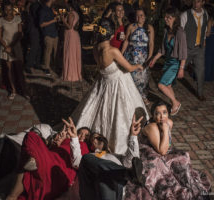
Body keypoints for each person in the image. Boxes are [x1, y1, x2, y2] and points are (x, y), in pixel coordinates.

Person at [71, 18, 149, 155]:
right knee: (119, 113)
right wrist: (137, 66)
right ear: (112, 34)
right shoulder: (112, 51)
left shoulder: (96, 48)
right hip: (117, 84)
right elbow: (129, 67)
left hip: (103, 82)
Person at [125, 101, 211, 199]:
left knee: (183, 156)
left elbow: (167, 144)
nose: (162, 116)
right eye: (157, 113)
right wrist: (165, 130)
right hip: (148, 151)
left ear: (168, 113)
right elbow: (161, 151)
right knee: (158, 164)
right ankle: (157, 184)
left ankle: (187, 184)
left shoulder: (169, 123)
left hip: (162, 149)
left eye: (164, 112)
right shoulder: (152, 127)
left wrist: (166, 129)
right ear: (153, 116)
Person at [64, 115, 144, 200]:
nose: (97, 139)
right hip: (92, 193)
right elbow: (76, 163)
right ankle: (127, 174)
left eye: (99, 138)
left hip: (116, 192)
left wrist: (133, 136)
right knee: (89, 161)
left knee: (105, 177)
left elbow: (132, 160)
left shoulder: (116, 156)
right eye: (94, 138)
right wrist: (74, 138)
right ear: (90, 145)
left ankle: (127, 174)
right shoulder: (90, 157)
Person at [7, 124, 91, 200]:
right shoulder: (67, 140)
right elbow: (51, 151)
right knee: (31, 136)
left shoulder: (85, 148)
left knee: (27, 166)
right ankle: (33, 160)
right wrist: (56, 143)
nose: (82, 136)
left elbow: (77, 163)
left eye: (86, 135)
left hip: (59, 169)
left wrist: (74, 138)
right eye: (80, 133)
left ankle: (12, 196)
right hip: (50, 159)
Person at [149, 7, 187, 116]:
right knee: (168, 85)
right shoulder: (166, 31)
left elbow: (184, 52)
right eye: (165, 17)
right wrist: (154, 59)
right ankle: (174, 104)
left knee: (161, 85)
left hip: (175, 63)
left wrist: (181, 68)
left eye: (169, 17)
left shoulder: (180, 32)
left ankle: (175, 102)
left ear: (175, 18)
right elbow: (162, 49)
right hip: (168, 62)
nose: (166, 19)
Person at [122, 8, 154, 105]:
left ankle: (143, 97)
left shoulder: (149, 28)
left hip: (143, 58)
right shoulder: (131, 26)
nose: (138, 17)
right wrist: (121, 53)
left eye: (141, 15)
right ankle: (131, 98)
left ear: (144, 16)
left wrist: (150, 56)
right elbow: (126, 41)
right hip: (131, 57)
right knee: (131, 78)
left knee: (143, 79)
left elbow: (151, 43)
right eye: (137, 15)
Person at [0, 3, 28, 100]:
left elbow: (20, 34)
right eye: (6, 9)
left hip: (16, 47)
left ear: (12, 9)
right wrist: (6, 46)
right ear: (4, 10)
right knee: (9, 70)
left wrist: (12, 46)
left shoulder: (17, 19)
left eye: (10, 9)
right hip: (5, 47)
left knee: (19, 69)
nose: (8, 11)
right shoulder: (1, 20)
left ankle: (23, 91)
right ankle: (13, 90)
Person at [180, 0, 208, 101]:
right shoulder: (185, 15)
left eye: (199, 1)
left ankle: (200, 93)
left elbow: (204, 28)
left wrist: (204, 39)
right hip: (187, 48)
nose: (196, 3)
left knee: (200, 71)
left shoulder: (205, 14)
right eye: (194, 1)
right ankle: (168, 85)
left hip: (199, 48)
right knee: (179, 67)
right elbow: (180, 31)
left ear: (203, 2)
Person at [61, 0, 82, 82]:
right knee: (74, 54)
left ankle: (70, 75)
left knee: (70, 54)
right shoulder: (77, 14)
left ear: (70, 6)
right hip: (75, 35)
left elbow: (70, 26)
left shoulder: (71, 14)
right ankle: (75, 74)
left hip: (70, 35)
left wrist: (63, 20)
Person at [39, 0, 59, 76]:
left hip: (54, 33)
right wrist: (53, 20)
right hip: (48, 34)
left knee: (55, 52)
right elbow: (41, 24)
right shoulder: (43, 10)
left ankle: (54, 67)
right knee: (48, 52)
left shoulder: (50, 9)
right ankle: (47, 68)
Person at [24, 0, 43, 74]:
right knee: (34, 47)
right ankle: (29, 65)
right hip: (34, 28)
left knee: (38, 47)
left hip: (36, 28)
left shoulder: (37, 4)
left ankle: (37, 63)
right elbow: (37, 17)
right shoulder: (35, 5)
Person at [204, 4, 214, 82]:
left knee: (207, 58)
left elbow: (208, 33)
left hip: (209, 40)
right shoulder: (212, 19)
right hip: (213, 39)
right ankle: (208, 75)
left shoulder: (209, 20)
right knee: (210, 57)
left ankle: (206, 76)